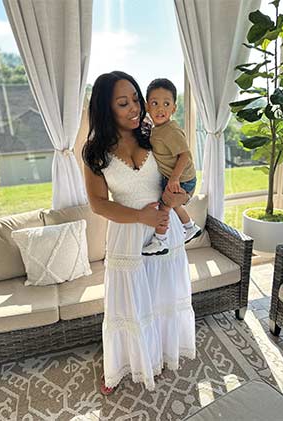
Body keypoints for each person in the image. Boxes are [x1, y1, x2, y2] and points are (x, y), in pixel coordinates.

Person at [82, 71, 196, 395]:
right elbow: (98, 204)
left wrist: (180, 198)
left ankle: (156, 356)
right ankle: (119, 365)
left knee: (161, 296)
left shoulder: (153, 134)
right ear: (106, 108)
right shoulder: (94, 152)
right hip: (127, 237)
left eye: (135, 99)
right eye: (123, 103)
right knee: (127, 306)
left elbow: (184, 174)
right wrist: (140, 216)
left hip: (164, 229)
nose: (135, 108)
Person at [141, 78, 202, 256]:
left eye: (166, 104)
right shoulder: (157, 128)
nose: (161, 108)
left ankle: (160, 241)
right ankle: (190, 227)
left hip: (182, 179)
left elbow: (185, 155)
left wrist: (174, 178)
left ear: (174, 108)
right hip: (176, 178)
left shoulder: (171, 130)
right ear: (147, 106)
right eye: (155, 103)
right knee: (171, 205)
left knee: (164, 207)